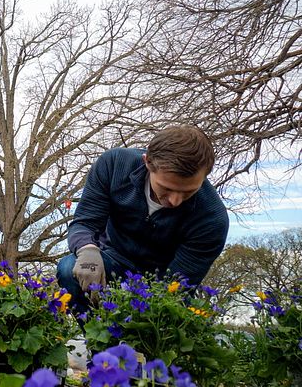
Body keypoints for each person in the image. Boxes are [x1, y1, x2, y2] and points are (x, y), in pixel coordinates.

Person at [57, 126, 229, 313]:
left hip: (160, 279)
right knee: (69, 268)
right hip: (112, 258)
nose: (175, 201)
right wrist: (87, 250)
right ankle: (99, 340)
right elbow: (85, 222)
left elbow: (178, 286)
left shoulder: (212, 218)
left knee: (161, 314)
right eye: (166, 188)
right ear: (147, 162)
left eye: (188, 191)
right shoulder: (114, 164)